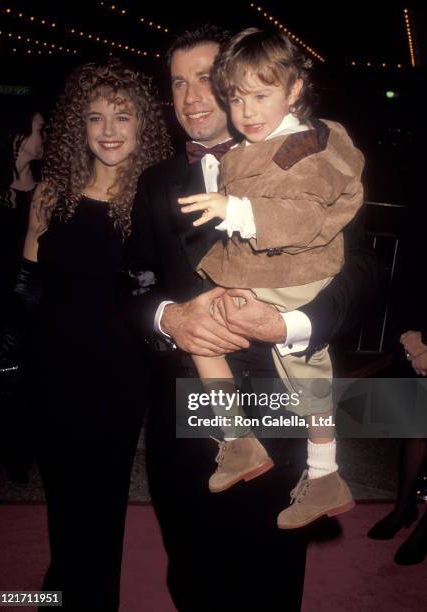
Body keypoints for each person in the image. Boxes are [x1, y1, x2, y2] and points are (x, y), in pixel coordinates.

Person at [125, 25, 383, 611]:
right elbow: (131, 280)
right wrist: (169, 318)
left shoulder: (310, 154)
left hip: (279, 394)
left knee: (266, 579)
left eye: (209, 81)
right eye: (177, 84)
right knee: (190, 573)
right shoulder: (157, 180)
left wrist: (291, 326)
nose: (193, 98)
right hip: (189, 405)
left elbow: (362, 267)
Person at [178, 27, 362, 527]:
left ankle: (324, 476)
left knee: (305, 379)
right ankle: (240, 443)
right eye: (237, 99)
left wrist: (232, 207)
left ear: (294, 90)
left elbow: (300, 220)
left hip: (293, 273)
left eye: (261, 96)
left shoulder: (303, 147)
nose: (248, 111)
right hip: (259, 270)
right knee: (204, 337)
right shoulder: (255, 144)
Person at [22, 58, 171, 611]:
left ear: (143, 126)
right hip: (51, 370)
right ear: (77, 127)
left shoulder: (154, 202)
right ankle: (60, 595)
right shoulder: (51, 193)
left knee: (101, 502)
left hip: (118, 378)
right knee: (62, 501)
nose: (108, 131)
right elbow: (28, 289)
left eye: (123, 117)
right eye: (94, 118)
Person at [368, 208, 427, 565]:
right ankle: (404, 507)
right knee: (416, 424)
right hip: (420, 332)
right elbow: (411, 271)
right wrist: (412, 337)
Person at [0, 100, 45, 481]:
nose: (45, 138)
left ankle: (24, 457)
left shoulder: (45, 185)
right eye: (39, 130)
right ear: (17, 137)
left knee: (31, 383)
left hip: (35, 300)